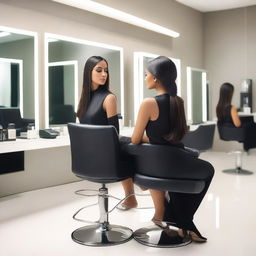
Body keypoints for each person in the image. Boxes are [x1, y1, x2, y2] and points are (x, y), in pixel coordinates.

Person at [120, 56, 214, 242]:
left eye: (146, 74)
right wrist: (157, 139)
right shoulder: (178, 102)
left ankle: (179, 219)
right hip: (175, 163)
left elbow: (136, 139)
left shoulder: (149, 103)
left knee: (124, 142)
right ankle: (184, 221)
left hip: (153, 167)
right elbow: (174, 137)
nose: (145, 78)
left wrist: (151, 138)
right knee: (208, 170)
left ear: (155, 78)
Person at [77, 56, 119, 132]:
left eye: (106, 71)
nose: (104, 74)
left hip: (103, 143)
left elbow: (115, 135)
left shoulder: (109, 98)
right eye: (99, 70)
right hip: (86, 143)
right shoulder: (85, 98)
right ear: (88, 72)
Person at [216, 82, 256, 151]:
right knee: (253, 124)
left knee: (248, 120)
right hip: (236, 132)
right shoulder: (232, 108)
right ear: (229, 94)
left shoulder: (218, 107)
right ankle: (248, 147)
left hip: (225, 132)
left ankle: (247, 147)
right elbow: (238, 124)